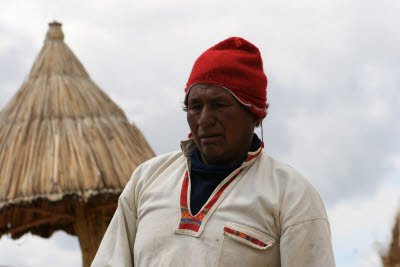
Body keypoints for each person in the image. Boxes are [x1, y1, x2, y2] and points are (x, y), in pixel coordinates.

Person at [92, 37, 335, 267]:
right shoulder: (147, 180)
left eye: (219, 105)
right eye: (195, 106)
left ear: (254, 114)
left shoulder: (291, 195)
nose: (205, 120)